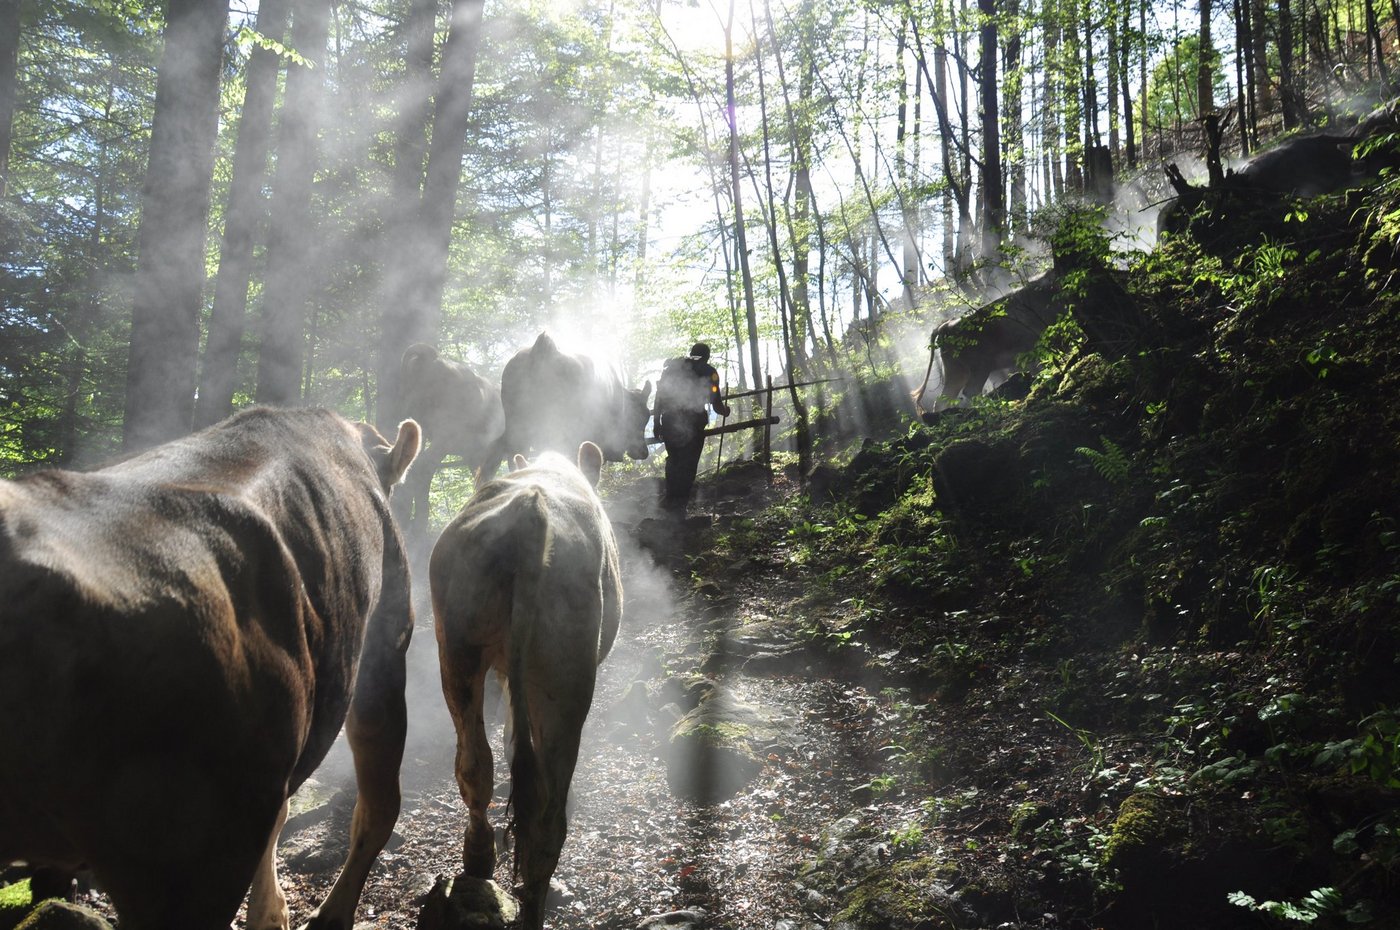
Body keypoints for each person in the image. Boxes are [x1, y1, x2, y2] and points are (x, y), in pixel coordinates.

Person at [654, 342, 730, 510]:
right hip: (694, 422)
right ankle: (680, 503)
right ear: (707, 356)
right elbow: (716, 403)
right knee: (689, 463)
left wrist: (656, 423)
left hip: (669, 421)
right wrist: (725, 411)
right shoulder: (710, 372)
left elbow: (659, 397)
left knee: (674, 460)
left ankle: (670, 499)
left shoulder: (671, 370)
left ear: (691, 353)